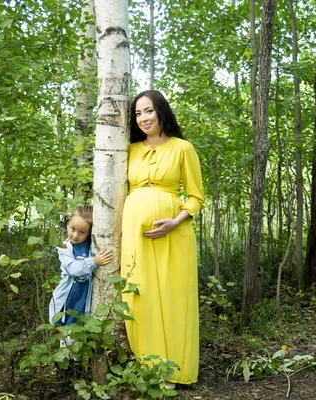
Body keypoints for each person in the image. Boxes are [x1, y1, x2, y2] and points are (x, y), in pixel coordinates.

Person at [121, 90, 205, 387]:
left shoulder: (183, 148)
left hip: (174, 235)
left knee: (172, 298)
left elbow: (196, 197)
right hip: (135, 236)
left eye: (148, 111)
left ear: (161, 112)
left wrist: (175, 221)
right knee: (139, 297)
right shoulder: (128, 150)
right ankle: (150, 368)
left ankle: (175, 371)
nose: (143, 118)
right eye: (137, 114)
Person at [48, 205, 113, 332]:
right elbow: (73, 269)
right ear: (68, 224)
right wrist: (94, 261)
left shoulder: (93, 245)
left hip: (85, 299)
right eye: (72, 229)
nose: (75, 235)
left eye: (82, 232)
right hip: (69, 298)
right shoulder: (65, 249)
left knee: (83, 333)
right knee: (68, 334)